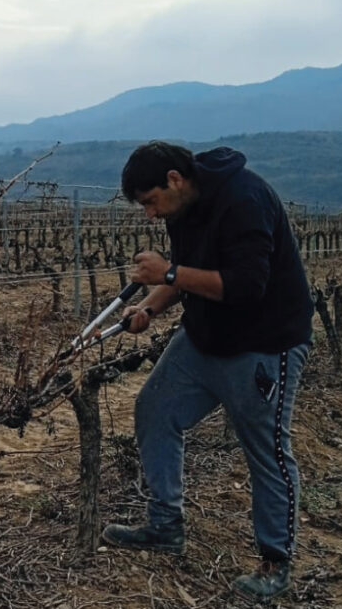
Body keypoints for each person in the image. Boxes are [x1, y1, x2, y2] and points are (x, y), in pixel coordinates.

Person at [101, 141, 313, 603]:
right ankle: (165, 524)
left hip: (264, 343)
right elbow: (185, 277)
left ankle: (276, 562)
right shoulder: (183, 207)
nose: (150, 216)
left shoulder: (245, 199)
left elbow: (245, 285)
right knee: (155, 409)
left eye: (151, 202)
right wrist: (149, 308)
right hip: (204, 337)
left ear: (174, 180)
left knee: (267, 451)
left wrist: (169, 274)